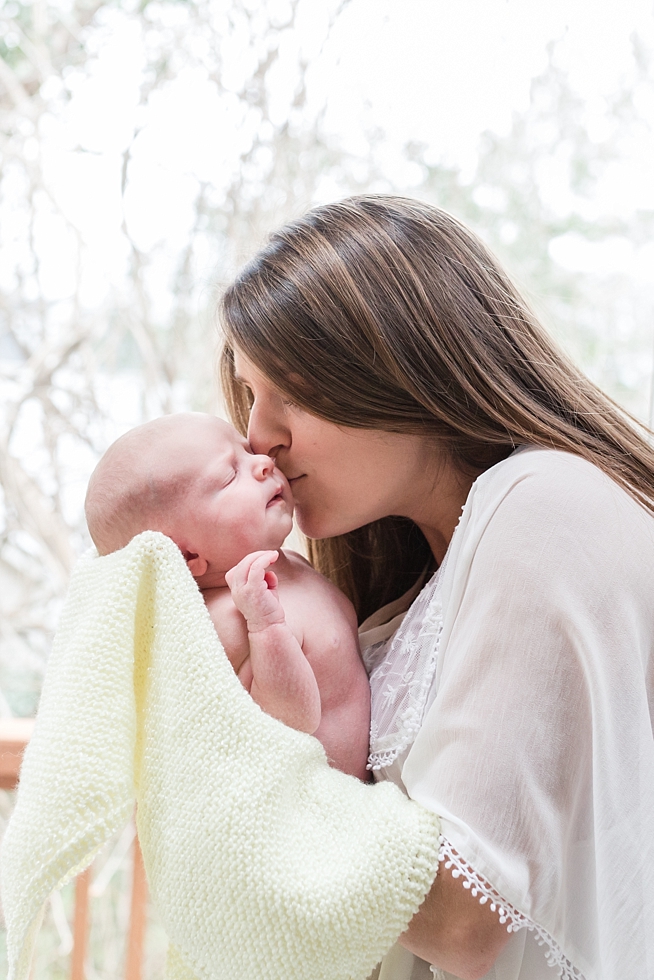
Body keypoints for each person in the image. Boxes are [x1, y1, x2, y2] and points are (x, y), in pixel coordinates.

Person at [218, 195, 654, 980]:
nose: (258, 436)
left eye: (287, 388)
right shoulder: (411, 598)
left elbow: (464, 920)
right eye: (250, 396)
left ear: (398, 360)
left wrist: (215, 775)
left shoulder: (544, 502)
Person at [84, 412, 371, 781]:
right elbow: (291, 723)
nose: (265, 463)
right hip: (317, 814)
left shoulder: (292, 564)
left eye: (246, 450)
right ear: (188, 556)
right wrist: (266, 627)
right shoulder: (229, 623)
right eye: (230, 474)